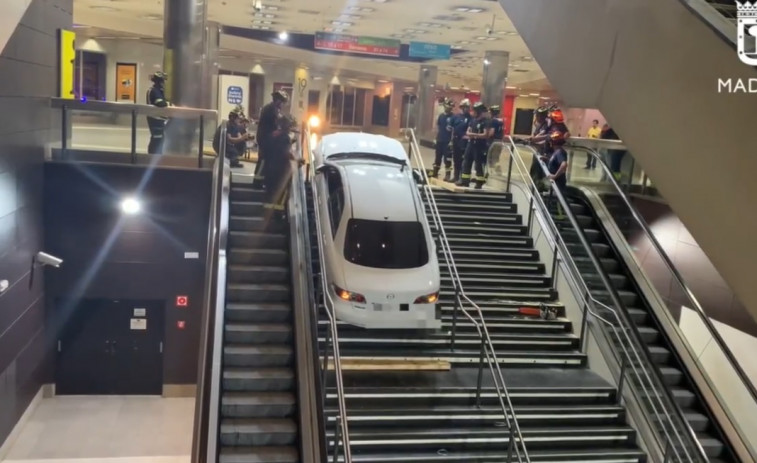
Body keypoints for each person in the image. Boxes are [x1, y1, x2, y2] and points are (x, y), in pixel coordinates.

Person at [253, 90, 290, 189]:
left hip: (266, 138)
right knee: (264, 160)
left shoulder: (271, 108)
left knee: (266, 161)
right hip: (265, 139)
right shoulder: (271, 110)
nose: (283, 105)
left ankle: (262, 182)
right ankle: (257, 182)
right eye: (283, 102)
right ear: (278, 101)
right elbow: (275, 126)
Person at [263, 113, 299, 211]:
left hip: (269, 167)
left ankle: (266, 212)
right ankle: (277, 215)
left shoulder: (273, 134)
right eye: (290, 125)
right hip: (280, 170)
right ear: (287, 126)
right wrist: (297, 160)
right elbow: (285, 153)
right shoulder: (285, 137)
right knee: (280, 193)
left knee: (269, 192)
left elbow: (275, 148)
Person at [456, 102, 490, 189]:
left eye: (474, 111)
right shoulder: (473, 121)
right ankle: (465, 181)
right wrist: (474, 135)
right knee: (466, 161)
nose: (472, 112)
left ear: (478, 111)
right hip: (470, 144)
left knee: (478, 164)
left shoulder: (485, 122)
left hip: (479, 146)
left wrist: (474, 135)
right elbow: (467, 131)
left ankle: (479, 182)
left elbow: (485, 134)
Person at [543, 131, 569, 218]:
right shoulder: (556, 152)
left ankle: (560, 217)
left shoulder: (560, 152)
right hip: (555, 183)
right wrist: (547, 159)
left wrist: (555, 176)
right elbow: (555, 163)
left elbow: (564, 164)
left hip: (558, 182)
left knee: (558, 201)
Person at [146, 71, 170, 154]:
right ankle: (153, 155)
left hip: (157, 118)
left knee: (159, 138)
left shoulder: (156, 90)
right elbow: (160, 103)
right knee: (157, 138)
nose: (164, 83)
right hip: (155, 119)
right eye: (163, 81)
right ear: (160, 81)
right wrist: (169, 104)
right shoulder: (155, 91)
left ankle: (154, 155)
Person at [432, 98, 455, 181]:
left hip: (447, 141)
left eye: (450, 107)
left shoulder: (453, 117)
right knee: (437, 158)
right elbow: (438, 127)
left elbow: (454, 130)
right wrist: (435, 138)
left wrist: (452, 141)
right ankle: (435, 172)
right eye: (448, 107)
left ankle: (447, 175)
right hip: (440, 140)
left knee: (447, 159)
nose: (449, 108)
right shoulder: (441, 116)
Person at [450, 99, 472, 183]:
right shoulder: (456, 117)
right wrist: (451, 141)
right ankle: (455, 176)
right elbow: (452, 129)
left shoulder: (470, 118)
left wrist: (467, 136)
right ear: (462, 107)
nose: (466, 109)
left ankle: (461, 178)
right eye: (465, 107)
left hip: (464, 142)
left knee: (463, 160)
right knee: (456, 159)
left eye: (467, 107)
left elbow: (471, 129)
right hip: (456, 140)